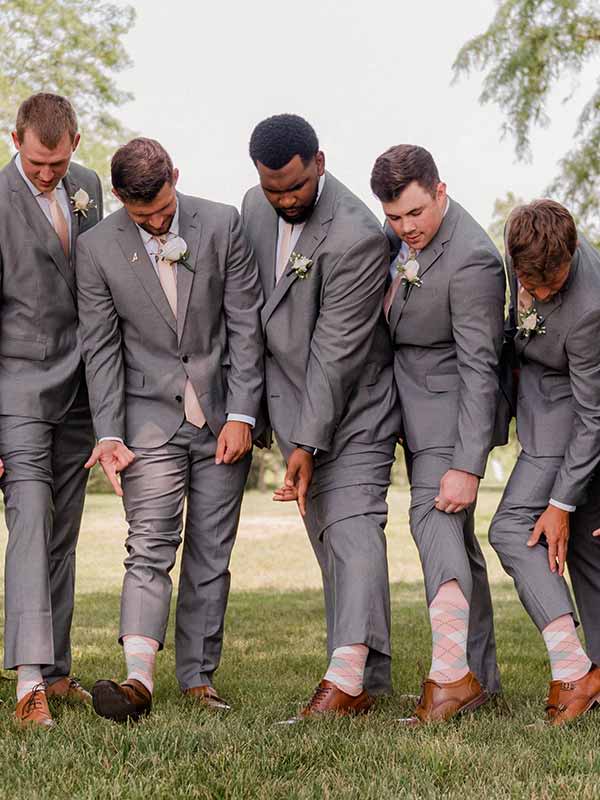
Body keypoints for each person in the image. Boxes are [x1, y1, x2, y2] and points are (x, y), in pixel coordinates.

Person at [76, 138, 264, 722]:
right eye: (142, 217)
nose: (157, 224)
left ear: (175, 177)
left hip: (219, 421)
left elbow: (245, 326)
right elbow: (101, 347)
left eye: (162, 209)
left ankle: (198, 679)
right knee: (149, 544)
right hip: (146, 421)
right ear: (118, 200)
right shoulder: (96, 248)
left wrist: (242, 414)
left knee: (212, 552)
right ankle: (138, 680)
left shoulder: (222, 223)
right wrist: (108, 432)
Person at [242, 114, 401, 719]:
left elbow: (336, 353)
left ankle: (344, 682)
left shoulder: (357, 234)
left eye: (296, 187)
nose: (284, 200)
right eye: (272, 188)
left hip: (357, 406)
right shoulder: (253, 210)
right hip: (291, 409)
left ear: (320, 163)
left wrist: (307, 443)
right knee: (328, 542)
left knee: (353, 527)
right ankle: (369, 672)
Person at [370, 144, 505, 724]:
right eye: (394, 217)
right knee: (458, 546)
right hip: (408, 403)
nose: (405, 229)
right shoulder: (404, 234)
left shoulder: (473, 260)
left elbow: (481, 368)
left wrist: (467, 464)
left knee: (431, 521)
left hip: (452, 417)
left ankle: (450, 676)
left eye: (416, 214)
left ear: (441, 192)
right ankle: (481, 680)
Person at [0, 92, 103, 728]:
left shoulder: (89, 185)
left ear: (75, 146)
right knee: (31, 521)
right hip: (18, 391)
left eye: (58, 164)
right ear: (15, 141)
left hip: (83, 391)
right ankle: (29, 682)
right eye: (38, 162)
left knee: (63, 531)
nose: (48, 175)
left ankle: (59, 671)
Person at [489, 199, 600, 725]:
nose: (537, 294)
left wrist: (558, 503)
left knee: (513, 527)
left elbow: (593, 414)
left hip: (572, 418)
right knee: (586, 547)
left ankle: (573, 665)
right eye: (529, 283)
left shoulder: (588, 309)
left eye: (550, 285)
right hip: (537, 403)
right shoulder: (521, 241)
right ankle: (594, 666)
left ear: (572, 254)